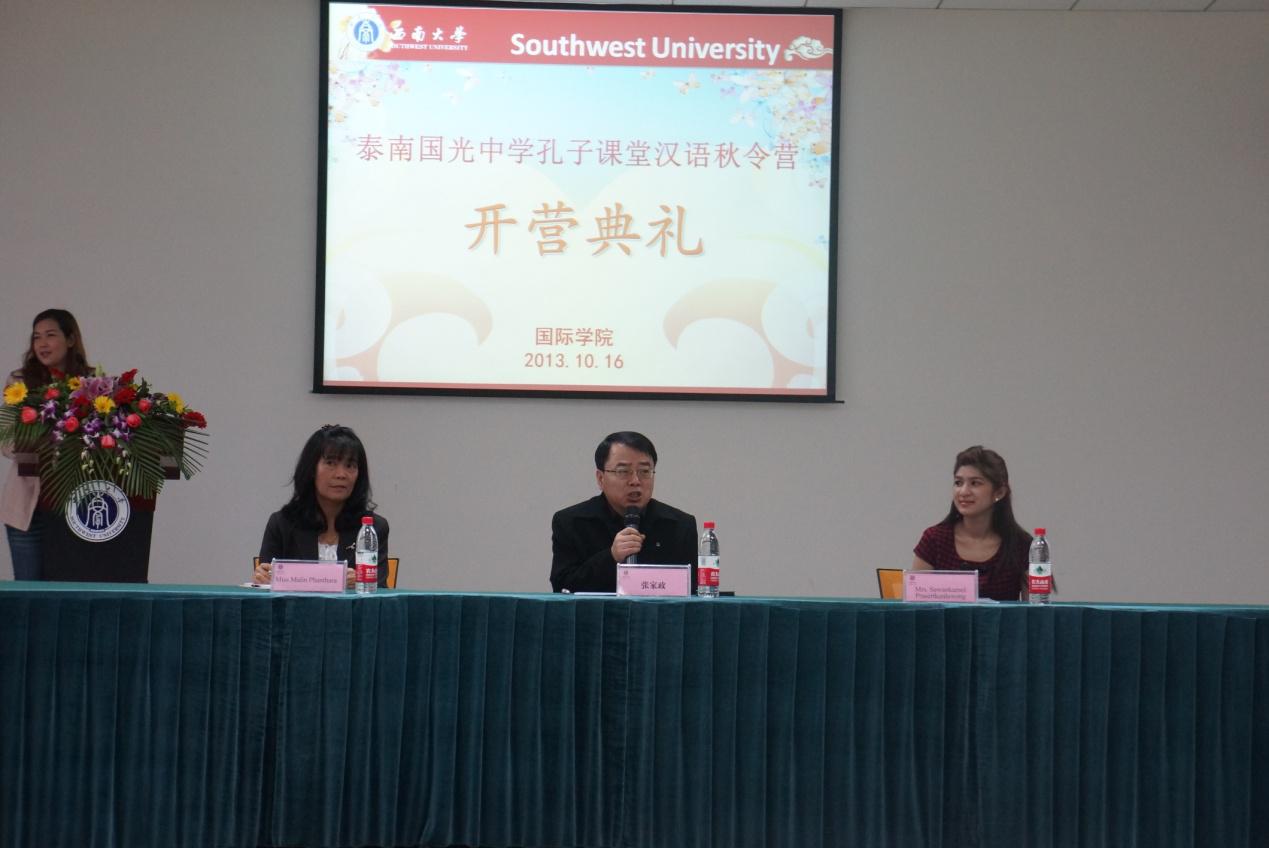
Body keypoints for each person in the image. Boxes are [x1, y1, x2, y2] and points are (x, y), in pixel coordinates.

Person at [3, 309, 93, 580]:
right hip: (27, 509)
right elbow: (6, 440)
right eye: (36, 337)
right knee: (29, 592)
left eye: (50, 335)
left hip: (74, 508)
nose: (42, 343)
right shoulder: (19, 383)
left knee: (67, 592)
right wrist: (43, 440)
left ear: (70, 339)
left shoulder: (91, 385)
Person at [550, 431, 697, 593]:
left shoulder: (680, 525)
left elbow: (692, 591)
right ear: (600, 478)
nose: (635, 481)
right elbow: (562, 587)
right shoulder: (571, 522)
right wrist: (611, 557)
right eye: (623, 471)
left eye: (644, 471)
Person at [255, 424, 389, 589]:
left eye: (350, 466)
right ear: (311, 469)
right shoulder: (282, 524)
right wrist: (263, 578)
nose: (341, 474)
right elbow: (266, 590)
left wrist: (362, 583)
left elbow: (381, 593)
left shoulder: (373, 528)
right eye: (331, 463)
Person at [912, 445, 1032, 601]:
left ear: (999, 492)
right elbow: (915, 605)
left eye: (975, 483)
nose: (963, 492)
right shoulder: (935, 539)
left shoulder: (1021, 545)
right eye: (958, 483)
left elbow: (1035, 610)